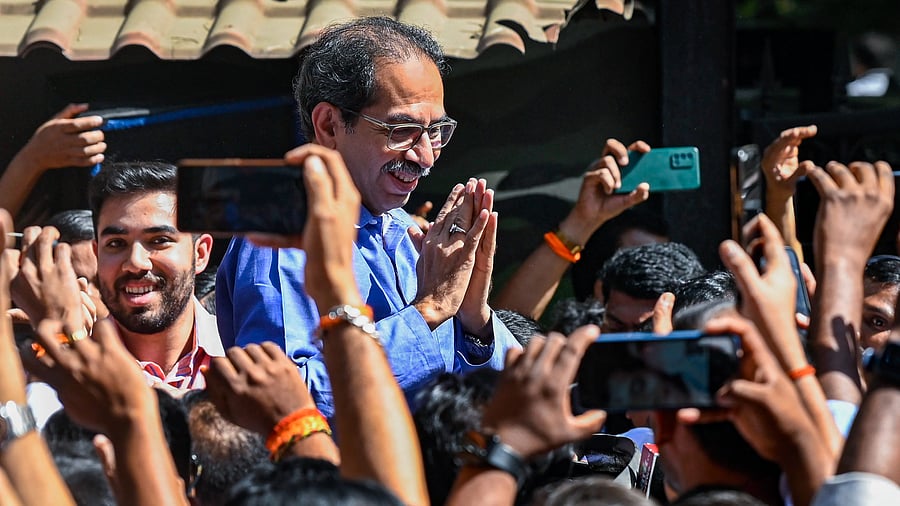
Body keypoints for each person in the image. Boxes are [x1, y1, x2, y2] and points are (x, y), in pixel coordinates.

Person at [217, 17, 519, 418]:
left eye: (436, 131)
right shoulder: (282, 239)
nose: (425, 156)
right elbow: (286, 402)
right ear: (329, 126)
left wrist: (474, 320)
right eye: (402, 129)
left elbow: (514, 402)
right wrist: (428, 312)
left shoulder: (410, 235)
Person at [88, 161, 222, 389]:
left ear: (200, 253)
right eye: (116, 243)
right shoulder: (66, 372)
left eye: (159, 241)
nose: (135, 263)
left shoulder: (243, 355)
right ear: (96, 254)